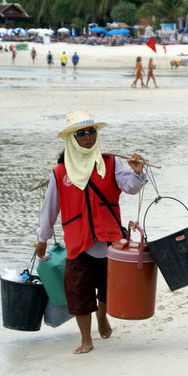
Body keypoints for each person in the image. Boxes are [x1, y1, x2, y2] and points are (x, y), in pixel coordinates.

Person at [35, 110, 148, 354]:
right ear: (71, 139)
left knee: (107, 288)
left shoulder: (111, 162)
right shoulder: (59, 173)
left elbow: (131, 187)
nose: (88, 137)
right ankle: (86, 339)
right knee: (78, 291)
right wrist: (42, 238)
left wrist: (137, 172)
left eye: (92, 131)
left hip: (108, 238)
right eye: (81, 133)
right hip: (78, 241)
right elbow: (50, 208)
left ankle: (102, 317)